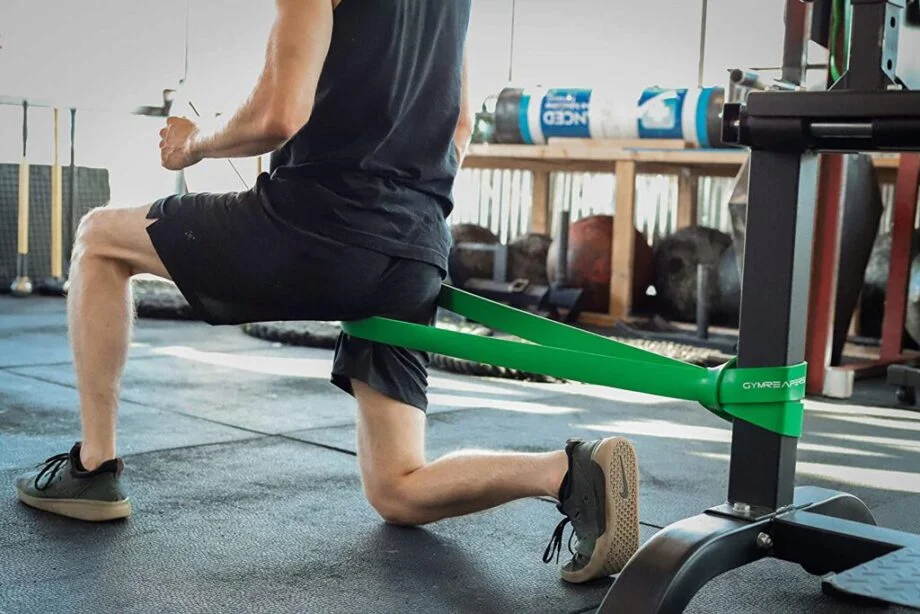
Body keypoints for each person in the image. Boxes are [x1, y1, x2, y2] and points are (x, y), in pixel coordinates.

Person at [14, 0, 640, 584]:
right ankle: (565, 473)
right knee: (397, 488)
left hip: (313, 231)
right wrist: (402, 211)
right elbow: (461, 122)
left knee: (98, 237)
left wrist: (191, 144)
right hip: (417, 245)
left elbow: (278, 114)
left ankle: (93, 469)